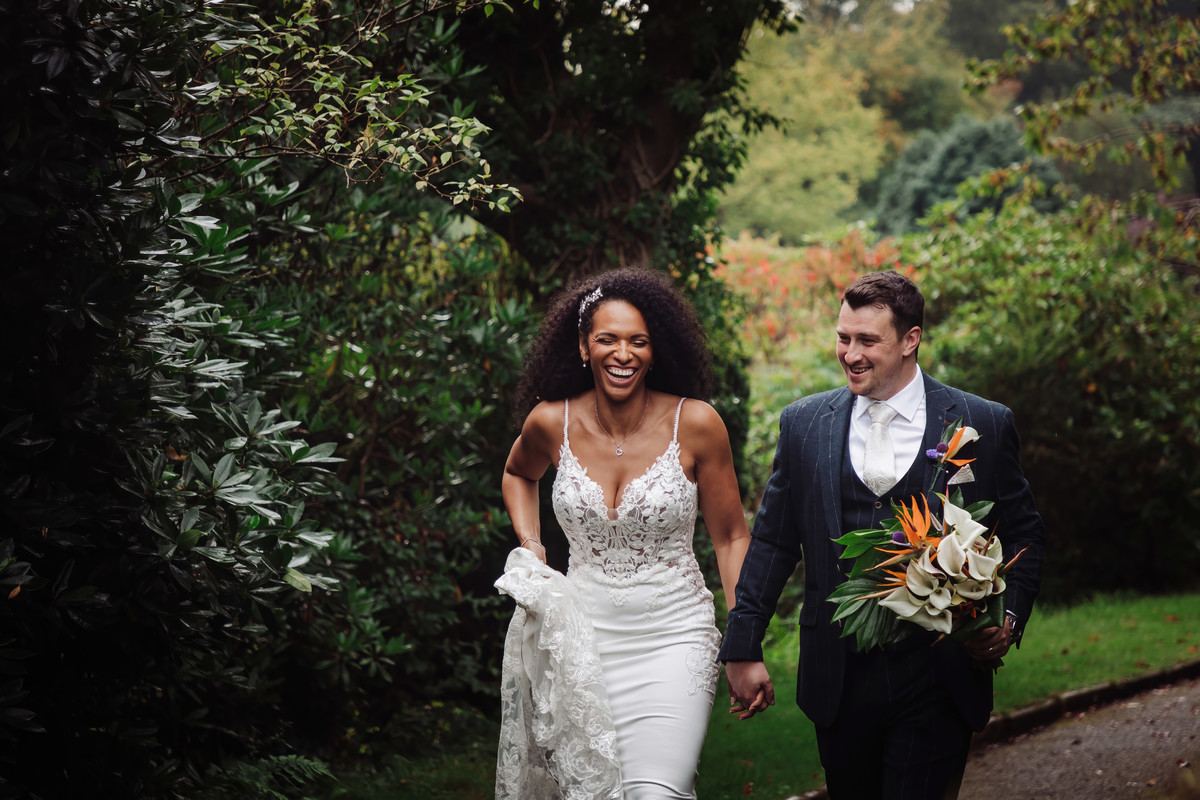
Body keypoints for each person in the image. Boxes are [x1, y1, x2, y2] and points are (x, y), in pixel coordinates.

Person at [720, 270, 1046, 800]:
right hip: (838, 675)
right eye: (843, 337)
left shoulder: (979, 420)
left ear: (910, 340)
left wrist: (1007, 619)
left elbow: (1026, 532)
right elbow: (775, 541)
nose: (850, 353)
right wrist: (743, 644)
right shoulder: (804, 424)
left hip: (939, 672)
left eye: (867, 340)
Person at [499, 267, 751, 800]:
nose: (624, 353)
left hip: (675, 635)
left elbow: (731, 537)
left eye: (639, 341)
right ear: (584, 348)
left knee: (655, 792)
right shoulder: (550, 422)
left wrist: (744, 641)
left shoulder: (698, 423)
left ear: (656, 351)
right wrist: (532, 546)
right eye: (608, 339)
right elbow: (519, 473)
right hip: (580, 645)